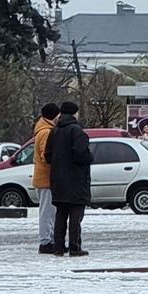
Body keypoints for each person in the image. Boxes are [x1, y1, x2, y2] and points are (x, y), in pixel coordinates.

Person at [45, 100, 92, 256]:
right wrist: (89, 158)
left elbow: (48, 156)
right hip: (76, 180)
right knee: (75, 215)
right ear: (74, 113)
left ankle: (58, 247)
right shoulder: (77, 131)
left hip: (58, 179)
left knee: (61, 214)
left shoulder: (54, 131)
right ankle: (74, 247)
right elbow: (81, 154)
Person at [30, 103, 59, 254]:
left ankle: (48, 240)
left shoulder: (41, 129)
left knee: (48, 211)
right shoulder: (46, 132)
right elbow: (46, 155)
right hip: (46, 178)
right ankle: (46, 241)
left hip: (43, 178)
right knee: (47, 212)